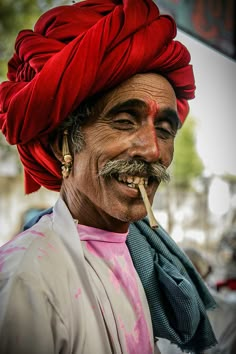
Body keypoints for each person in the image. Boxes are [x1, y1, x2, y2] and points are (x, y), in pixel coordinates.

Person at [0, 1, 217, 353]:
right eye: (124, 122)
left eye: (164, 129)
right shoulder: (26, 279)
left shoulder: (142, 260)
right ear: (62, 145)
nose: (152, 150)